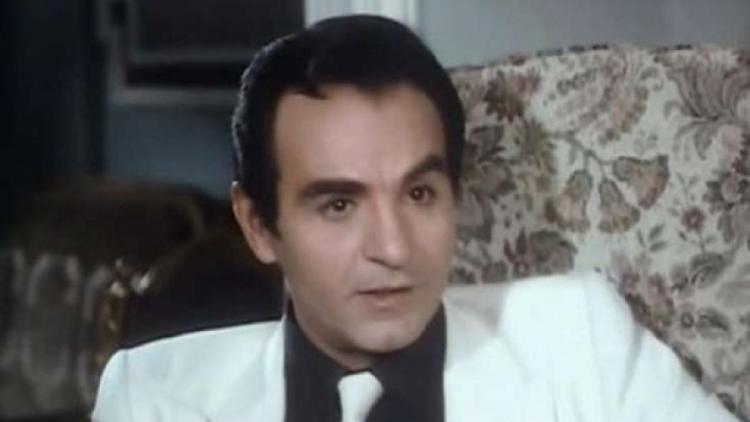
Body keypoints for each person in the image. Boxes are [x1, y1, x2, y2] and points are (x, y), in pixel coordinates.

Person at [92, 15, 737, 422]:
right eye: (339, 205)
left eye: (420, 194)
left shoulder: (580, 342)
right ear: (259, 225)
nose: (393, 248)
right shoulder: (153, 396)